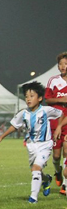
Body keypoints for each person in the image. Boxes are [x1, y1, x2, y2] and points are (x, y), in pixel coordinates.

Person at [0, 82, 61, 203]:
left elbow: (61, 115)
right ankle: (46, 180)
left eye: (32, 96)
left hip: (45, 145)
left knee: (35, 169)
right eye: (26, 96)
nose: (28, 99)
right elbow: (14, 126)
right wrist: (1, 137)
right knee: (37, 171)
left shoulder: (46, 110)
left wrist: (59, 127)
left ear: (40, 98)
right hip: (31, 146)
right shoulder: (23, 113)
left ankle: (33, 198)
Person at [44, 52, 67, 195]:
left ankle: (65, 185)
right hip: (55, 122)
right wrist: (62, 100)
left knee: (66, 151)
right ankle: (58, 172)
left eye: (65, 64)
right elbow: (47, 99)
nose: (62, 66)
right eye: (60, 64)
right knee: (56, 156)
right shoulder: (53, 80)